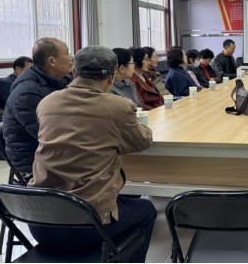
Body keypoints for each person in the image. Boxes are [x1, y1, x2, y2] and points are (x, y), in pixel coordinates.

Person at [28, 46, 155, 263]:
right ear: (112, 77)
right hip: (88, 223)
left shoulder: (46, 103)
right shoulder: (118, 107)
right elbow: (143, 141)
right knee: (147, 210)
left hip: (39, 220)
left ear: (74, 73)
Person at [2, 38, 73, 179]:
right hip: (33, 162)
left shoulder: (61, 80)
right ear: (52, 61)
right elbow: (49, 136)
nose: (71, 58)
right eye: (67, 53)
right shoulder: (27, 92)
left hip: (52, 153)